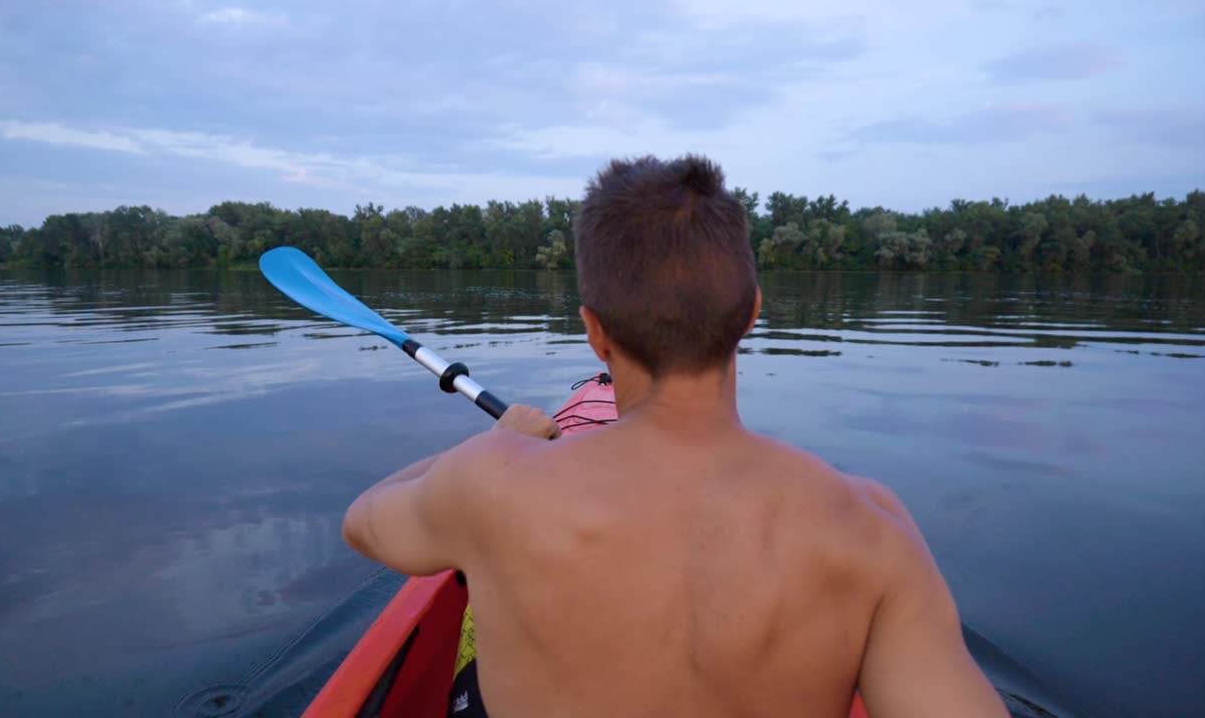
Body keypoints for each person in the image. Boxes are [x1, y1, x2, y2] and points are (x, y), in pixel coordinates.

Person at [342, 155, 1008, 718]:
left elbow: (364, 525)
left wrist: (499, 442)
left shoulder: (489, 484)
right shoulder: (872, 530)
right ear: (751, 313)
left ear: (593, 331)